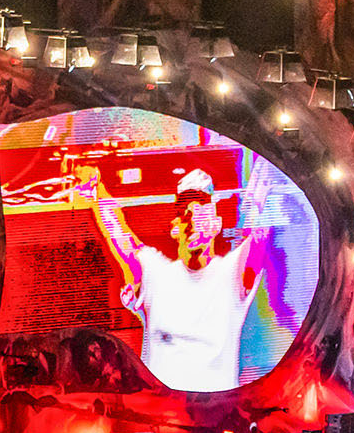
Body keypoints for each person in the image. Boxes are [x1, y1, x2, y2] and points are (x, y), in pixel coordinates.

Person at [74, 163, 272, 393]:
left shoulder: (232, 273)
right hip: (161, 409)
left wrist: (269, 170)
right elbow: (122, 237)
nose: (192, 218)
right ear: (174, 228)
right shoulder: (155, 273)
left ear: (216, 224)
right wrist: (97, 189)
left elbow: (260, 230)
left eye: (200, 209)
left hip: (217, 409)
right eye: (185, 213)